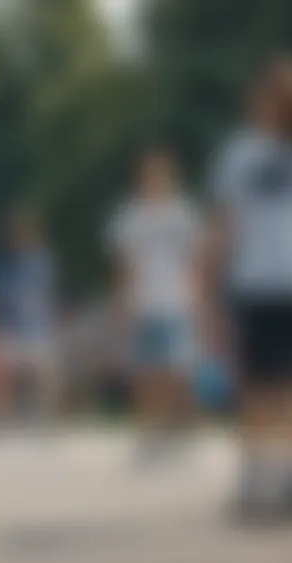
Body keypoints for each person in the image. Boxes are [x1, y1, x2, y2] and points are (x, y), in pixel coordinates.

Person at [200, 54, 292, 517]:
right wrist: (210, 281)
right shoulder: (239, 153)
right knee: (257, 385)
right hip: (254, 282)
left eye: (276, 98)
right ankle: (255, 479)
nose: (266, 106)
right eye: (262, 97)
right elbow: (225, 221)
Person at [108, 149, 201, 465]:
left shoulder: (182, 214)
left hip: (176, 303)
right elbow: (125, 266)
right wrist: (122, 306)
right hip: (143, 304)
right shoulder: (132, 216)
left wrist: (198, 301)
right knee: (146, 374)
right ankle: (149, 434)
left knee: (175, 372)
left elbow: (194, 262)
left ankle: (177, 432)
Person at [0, 205, 58, 420]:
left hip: (37, 329)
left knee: (47, 374)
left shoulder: (41, 262)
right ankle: (3, 418)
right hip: (10, 329)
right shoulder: (0, 265)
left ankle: (48, 418)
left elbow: (48, 297)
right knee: (0, 371)